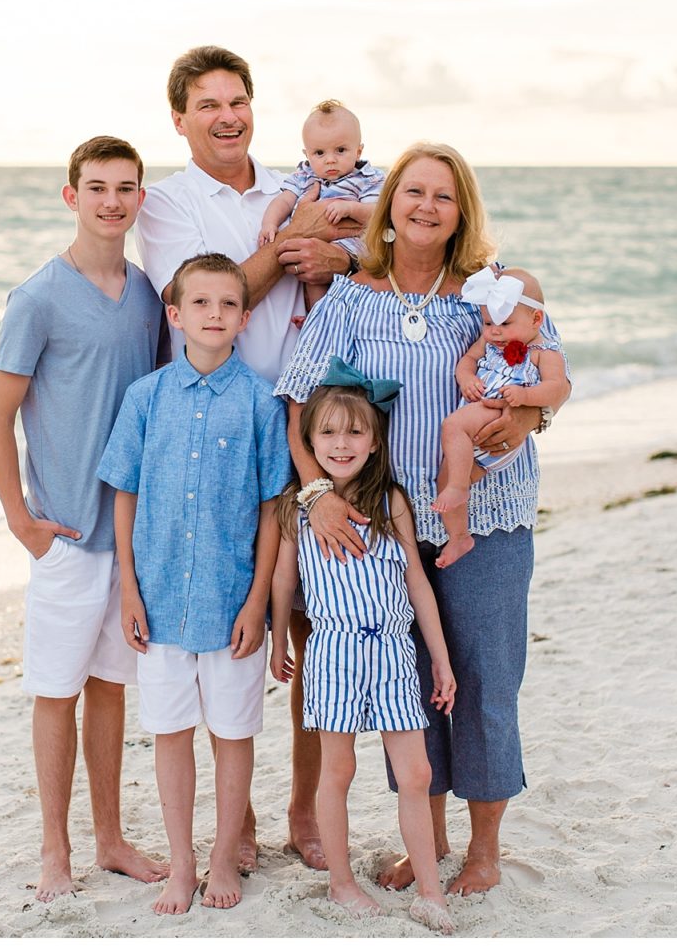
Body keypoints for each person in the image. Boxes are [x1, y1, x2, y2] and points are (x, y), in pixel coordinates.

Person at [274, 142, 570, 898]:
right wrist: (319, 495)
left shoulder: (492, 294)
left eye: (443, 195)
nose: (425, 207)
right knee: (410, 691)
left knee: (484, 680)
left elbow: (552, 381)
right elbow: (298, 404)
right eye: (413, 192)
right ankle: (428, 841)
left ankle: (484, 850)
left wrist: (527, 419)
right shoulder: (352, 297)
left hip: (490, 517)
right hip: (383, 529)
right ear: (390, 204)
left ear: (461, 211)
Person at [135, 45, 358, 872]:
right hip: (217, 435)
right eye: (209, 105)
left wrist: (338, 252)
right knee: (231, 628)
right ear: (180, 118)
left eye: (240, 100)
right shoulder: (165, 206)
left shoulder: (295, 186)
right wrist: (296, 240)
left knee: (306, 626)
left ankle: (304, 808)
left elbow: (367, 245)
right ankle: (240, 820)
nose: (229, 116)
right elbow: (215, 295)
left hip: (305, 422)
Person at [0, 136, 170, 902]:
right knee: (56, 691)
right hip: (63, 534)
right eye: (97, 187)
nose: (112, 201)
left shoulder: (150, 295)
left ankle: (111, 838)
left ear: (139, 199)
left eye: (126, 187)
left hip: (129, 538)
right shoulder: (37, 298)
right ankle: (54, 850)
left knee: (110, 691)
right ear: (71, 196)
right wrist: (22, 523)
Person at [96, 252, 291, 914]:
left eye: (227, 304)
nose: (214, 315)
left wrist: (259, 598)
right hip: (158, 602)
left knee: (233, 733)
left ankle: (221, 856)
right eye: (200, 303)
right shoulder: (144, 398)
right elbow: (124, 493)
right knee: (171, 730)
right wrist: (128, 587)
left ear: (244, 315)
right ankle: (182, 863)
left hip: (232, 600)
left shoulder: (261, 402)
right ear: (175, 315)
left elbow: (271, 508)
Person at [268, 371, 458, 933]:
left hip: (395, 652)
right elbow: (283, 582)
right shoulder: (296, 510)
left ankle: (430, 891)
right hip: (332, 653)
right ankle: (342, 883)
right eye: (327, 433)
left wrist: (441, 658)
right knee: (339, 770)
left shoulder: (390, 500)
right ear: (309, 441)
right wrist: (279, 637)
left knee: (417, 771)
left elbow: (417, 584)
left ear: (375, 441)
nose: (341, 444)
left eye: (354, 433)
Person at [431, 264, 566, 568]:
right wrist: (466, 378)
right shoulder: (491, 343)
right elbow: (468, 359)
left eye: (504, 323)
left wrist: (527, 397)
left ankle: (459, 488)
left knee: (453, 426)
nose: (494, 331)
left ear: (536, 319)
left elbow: (557, 389)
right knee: (447, 472)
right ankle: (459, 536)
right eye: (488, 323)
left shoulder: (545, 352)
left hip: (501, 421)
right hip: (483, 438)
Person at [256, 99, 385, 321]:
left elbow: (377, 214)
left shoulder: (367, 179)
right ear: (307, 155)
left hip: (354, 249)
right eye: (319, 153)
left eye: (341, 150)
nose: (330, 160)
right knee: (312, 279)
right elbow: (284, 201)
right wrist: (269, 223)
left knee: (357, 289)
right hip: (313, 249)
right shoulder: (305, 176)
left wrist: (351, 208)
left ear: (358, 151)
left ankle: (335, 321)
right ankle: (318, 320)